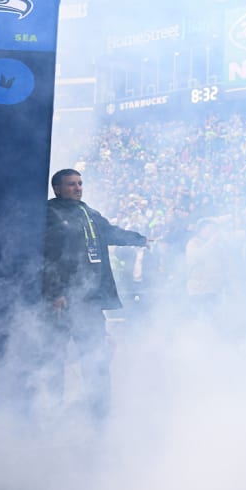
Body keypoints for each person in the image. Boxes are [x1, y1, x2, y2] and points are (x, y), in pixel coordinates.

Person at [41, 168, 150, 422]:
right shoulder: (49, 214)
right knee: (55, 357)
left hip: (90, 301)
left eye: (80, 183)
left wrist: (140, 239)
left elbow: (110, 232)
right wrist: (55, 291)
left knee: (96, 357)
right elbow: (46, 256)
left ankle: (100, 413)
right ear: (57, 189)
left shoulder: (88, 212)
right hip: (63, 302)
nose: (78, 188)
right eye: (71, 184)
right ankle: (52, 412)